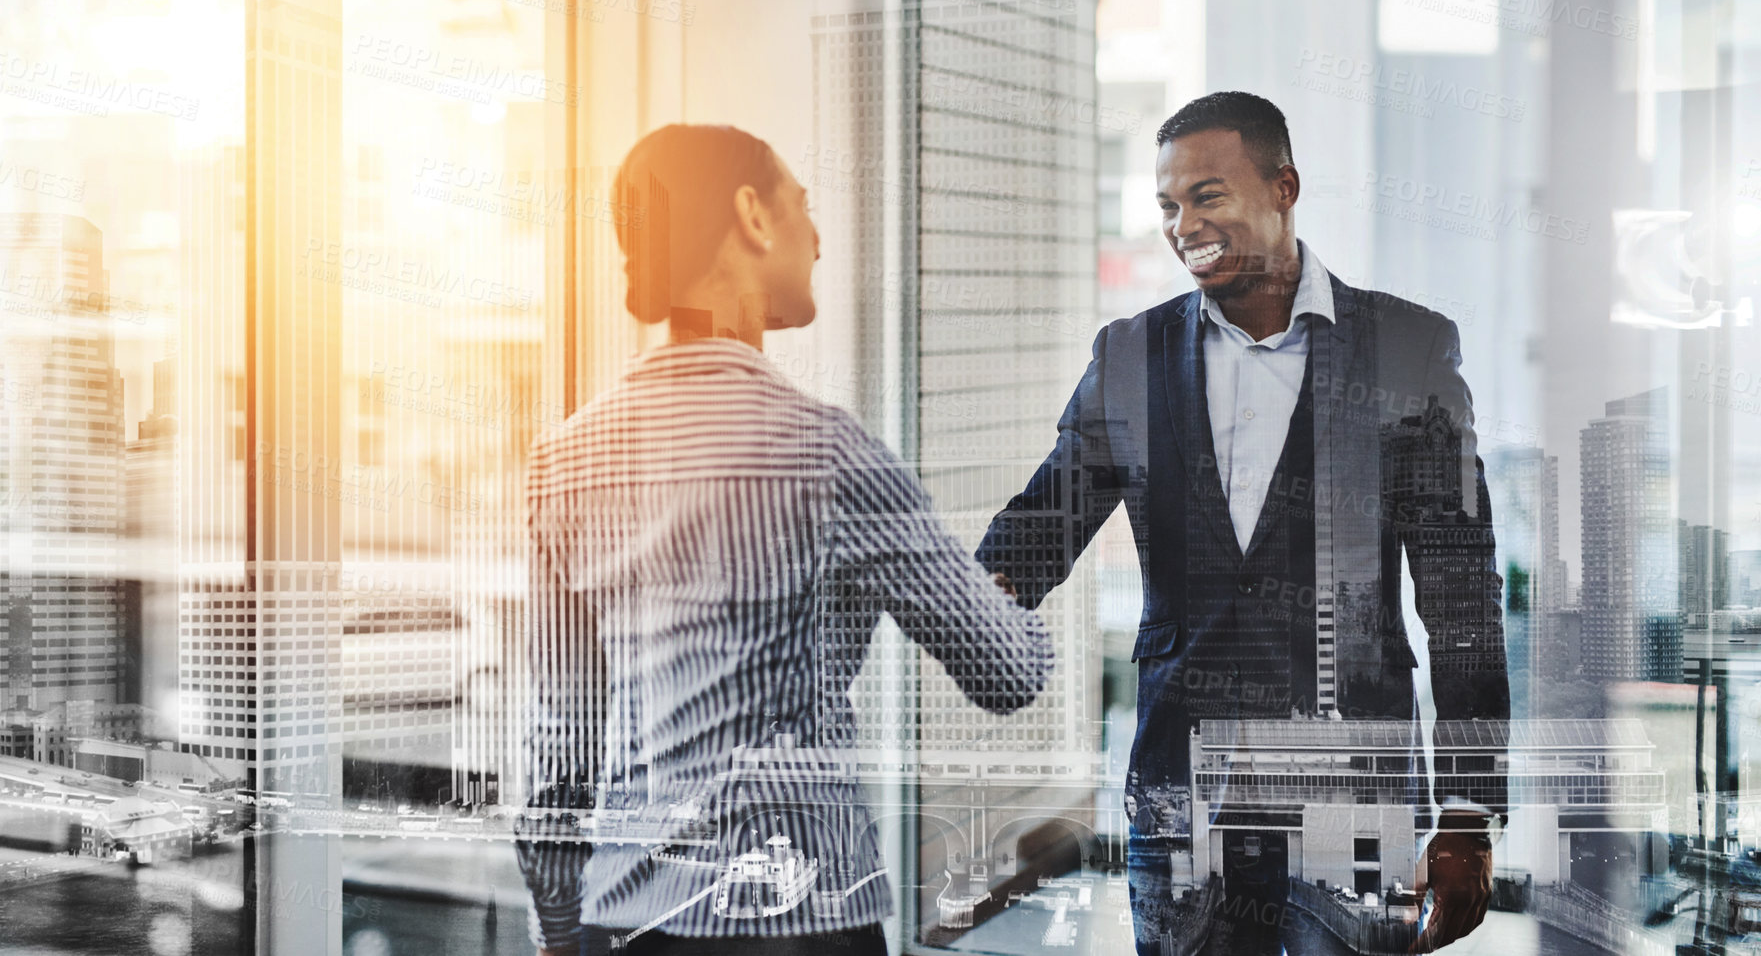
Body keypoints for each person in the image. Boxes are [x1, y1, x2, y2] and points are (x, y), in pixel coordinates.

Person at [976, 92, 1510, 955]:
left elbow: (1460, 597)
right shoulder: (1129, 356)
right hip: (1179, 799)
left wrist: (1466, 809)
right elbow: (1046, 518)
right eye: (1167, 205)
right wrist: (969, 588)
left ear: (1283, 187)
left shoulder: (1407, 349)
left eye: (1207, 195)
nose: (1182, 223)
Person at [515, 124, 1051, 956]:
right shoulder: (827, 453)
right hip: (800, 921)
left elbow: (560, 739)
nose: (820, 237)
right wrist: (1007, 598)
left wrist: (558, 927)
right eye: (802, 206)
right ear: (750, 217)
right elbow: (1007, 674)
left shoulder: (563, 459)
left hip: (623, 917)